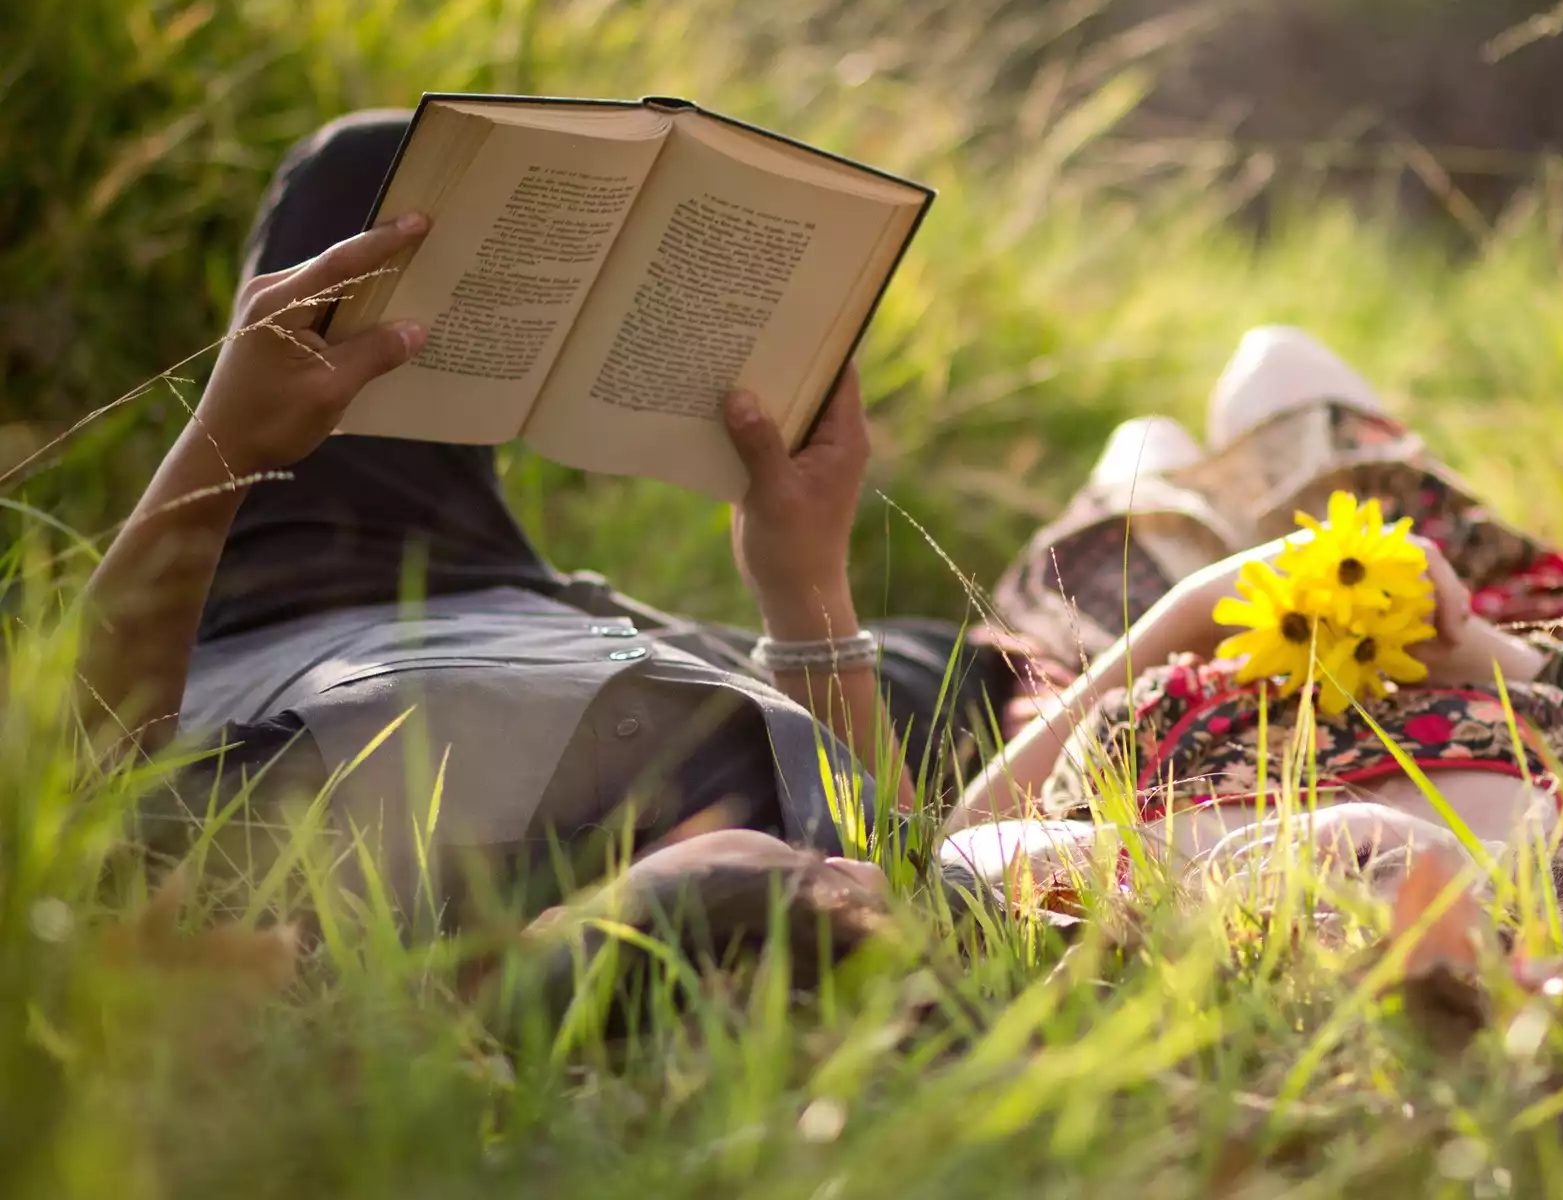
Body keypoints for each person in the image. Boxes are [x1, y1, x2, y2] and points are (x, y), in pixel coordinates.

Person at [79, 111, 1015, 920]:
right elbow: (893, 845)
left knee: (372, 174)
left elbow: (90, 769)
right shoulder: (843, 850)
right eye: (826, 881)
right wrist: (803, 579)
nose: (833, 873)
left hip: (308, 604)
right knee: (976, 670)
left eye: (789, 883)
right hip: (645, 644)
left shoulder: (357, 848)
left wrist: (223, 445)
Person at [944, 328, 1563, 908]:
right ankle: (1268, 505)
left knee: (1142, 446)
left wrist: (1197, 603)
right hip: (1441, 622)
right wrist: (1497, 658)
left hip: (1143, 644)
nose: (1367, 852)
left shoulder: (1184, 863)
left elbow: (952, 849)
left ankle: (1211, 508)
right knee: (1275, 363)